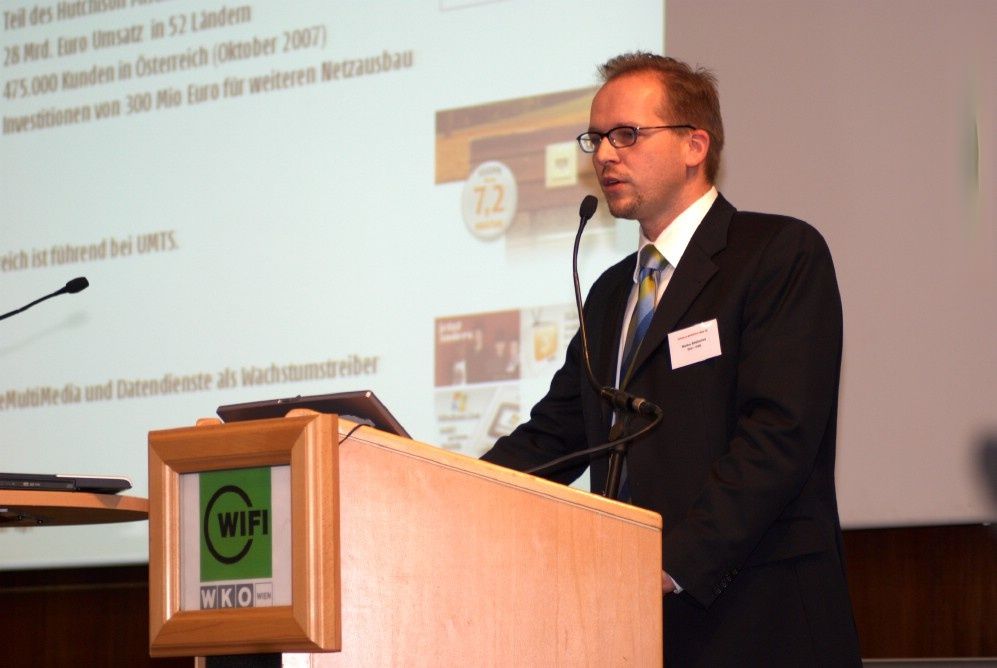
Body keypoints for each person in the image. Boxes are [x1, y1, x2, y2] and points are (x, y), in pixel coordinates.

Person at [480, 52, 861, 666]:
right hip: (636, 623)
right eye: (596, 138)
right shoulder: (611, 293)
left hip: (760, 617)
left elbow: (778, 435)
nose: (605, 155)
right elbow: (554, 438)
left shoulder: (777, 254)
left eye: (626, 134)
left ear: (694, 145)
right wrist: (443, 485)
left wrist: (669, 565)